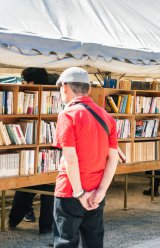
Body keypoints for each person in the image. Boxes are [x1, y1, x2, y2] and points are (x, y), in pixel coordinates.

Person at [53, 67, 118, 248]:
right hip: (97, 191)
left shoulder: (68, 114)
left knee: (66, 242)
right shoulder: (107, 117)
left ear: (65, 87)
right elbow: (112, 159)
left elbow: (70, 159)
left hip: (70, 191)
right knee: (94, 242)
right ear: (88, 89)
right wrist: (101, 192)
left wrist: (79, 193)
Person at [8, 67, 55, 234]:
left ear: (31, 82)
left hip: (28, 154)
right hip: (50, 155)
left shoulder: (25, 96)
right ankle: (46, 227)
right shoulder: (53, 95)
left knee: (24, 190)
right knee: (49, 191)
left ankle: (13, 221)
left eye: (24, 81)